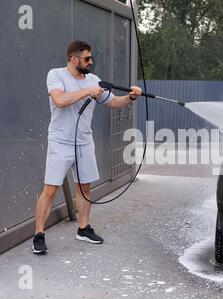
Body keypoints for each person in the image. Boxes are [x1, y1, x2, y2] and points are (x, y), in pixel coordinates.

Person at [32, 40, 142, 254]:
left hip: (84, 141)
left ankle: (83, 229)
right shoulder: (56, 75)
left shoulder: (94, 80)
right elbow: (60, 100)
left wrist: (130, 97)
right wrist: (87, 92)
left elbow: (112, 102)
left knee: (84, 187)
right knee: (51, 189)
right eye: (87, 59)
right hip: (60, 141)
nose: (91, 62)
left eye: (91, 58)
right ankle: (39, 234)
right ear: (73, 59)